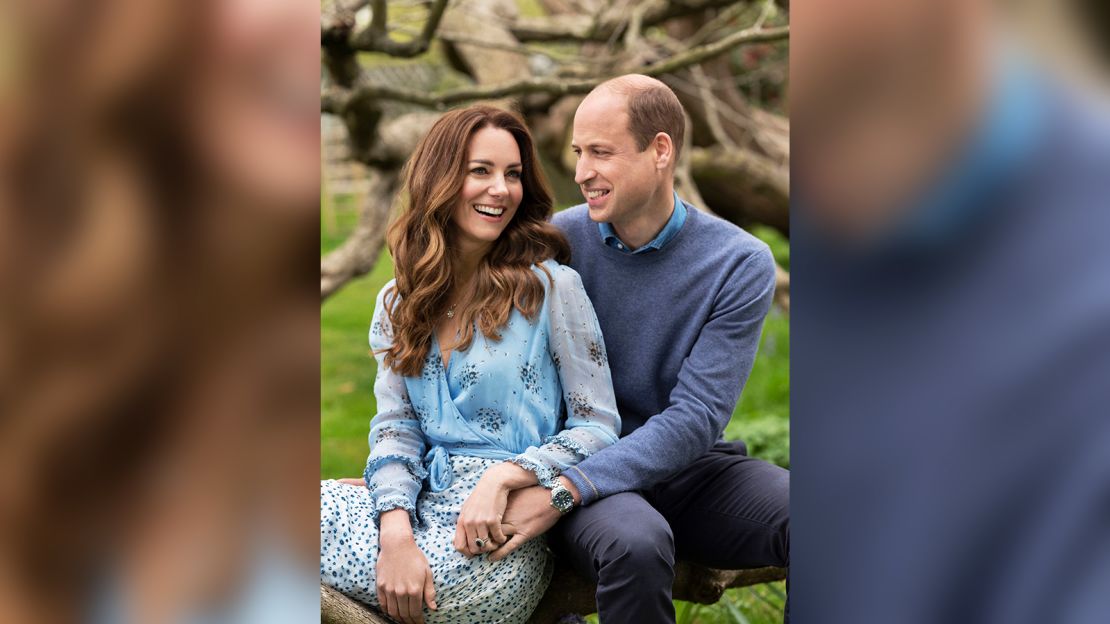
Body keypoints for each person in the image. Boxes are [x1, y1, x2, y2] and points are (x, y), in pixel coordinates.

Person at [486, 75, 790, 623]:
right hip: (582, 464)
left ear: (661, 151)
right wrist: (560, 483)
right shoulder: (557, 243)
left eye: (601, 152)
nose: (582, 173)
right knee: (636, 544)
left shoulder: (738, 262)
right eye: (578, 153)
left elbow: (697, 417)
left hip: (684, 469)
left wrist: (565, 491)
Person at [319, 105, 621, 624]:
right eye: (480, 171)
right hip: (415, 505)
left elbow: (598, 425)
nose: (500, 190)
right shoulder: (399, 300)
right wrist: (394, 532)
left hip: (498, 535)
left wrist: (507, 475)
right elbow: (396, 428)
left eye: (513, 174)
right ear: (439, 179)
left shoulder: (551, 289)